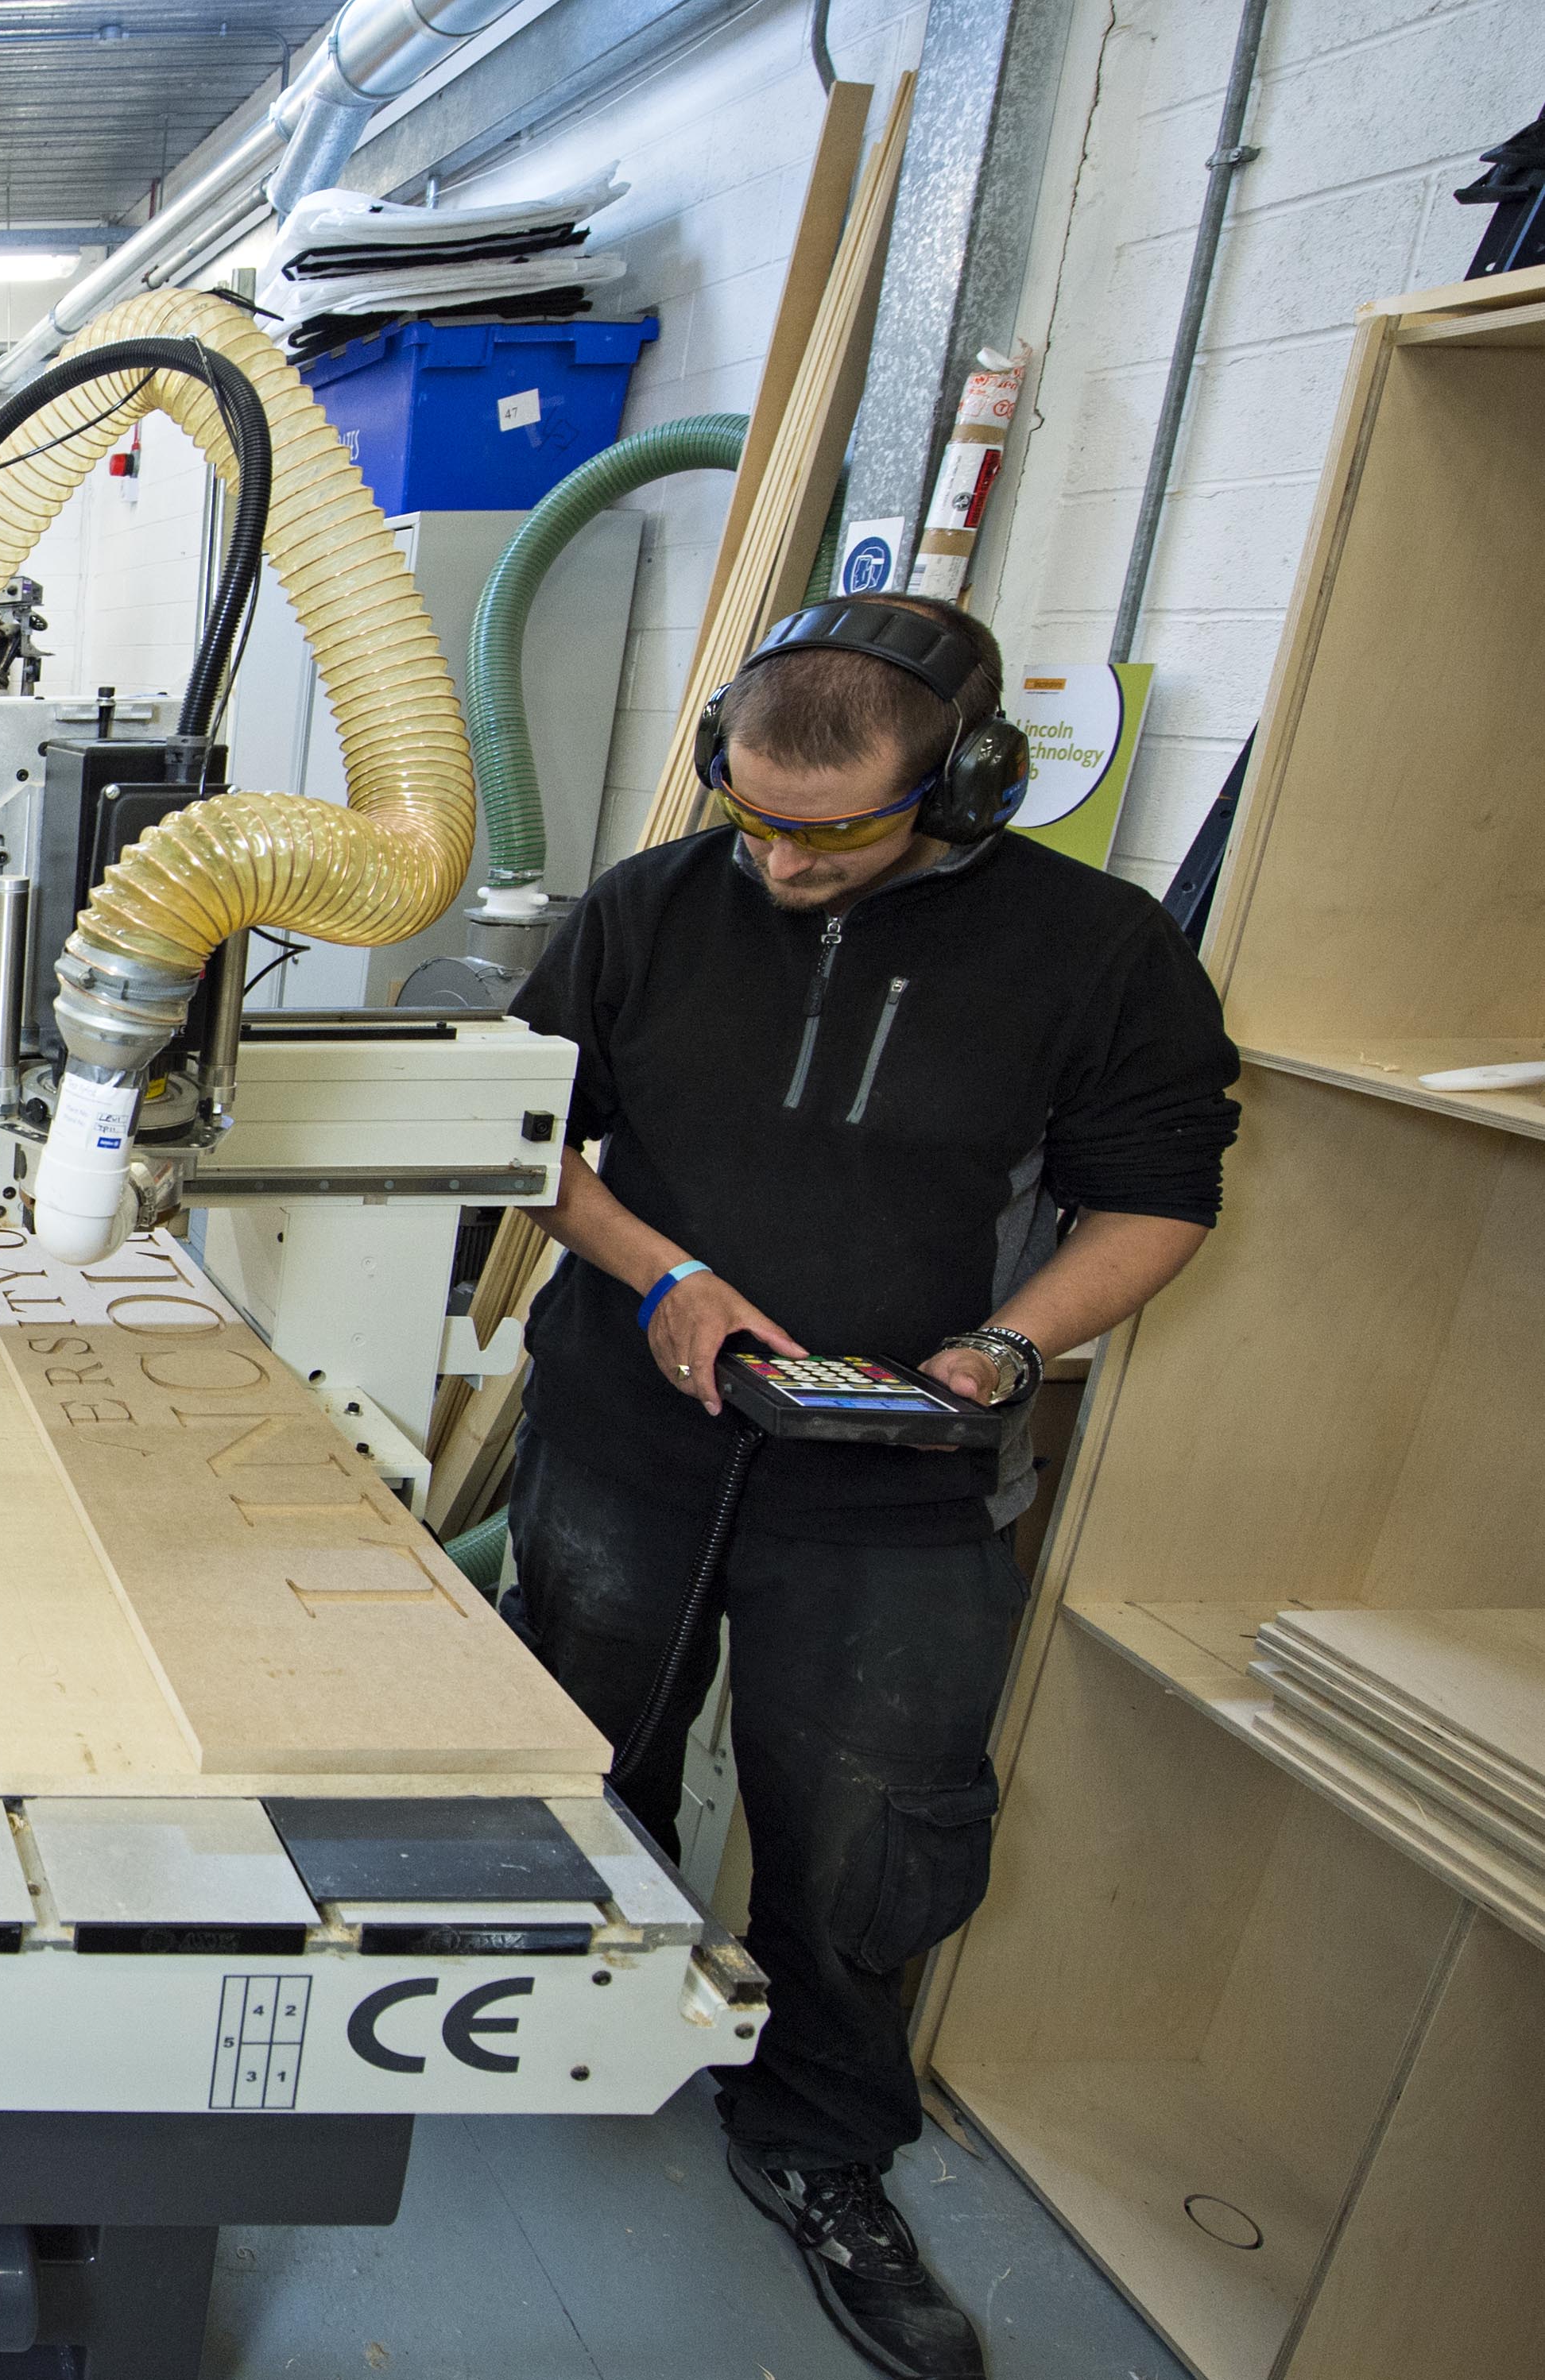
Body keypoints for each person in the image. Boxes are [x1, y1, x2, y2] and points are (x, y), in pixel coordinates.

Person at [504, 592, 1238, 2380]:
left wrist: (1000, 1352)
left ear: (968, 784)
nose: (779, 861)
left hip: (900, 1482)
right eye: (751, 815)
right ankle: (587, 2019)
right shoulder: (646, 908)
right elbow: (527, 1139)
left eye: (830, 831)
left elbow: (1157, 1200)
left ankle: (821, 2147)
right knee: (569, 1757)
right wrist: (664, 1279)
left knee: (861, 1839)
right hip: (631, 1431)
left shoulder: (1097, 950)